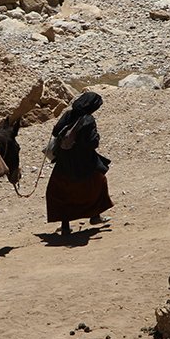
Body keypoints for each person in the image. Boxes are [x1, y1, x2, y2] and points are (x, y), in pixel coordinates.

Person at [46, 91, 113, 235]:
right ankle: (95, 216)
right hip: (83, 161)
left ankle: (65, 226)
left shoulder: (68, 114)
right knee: (99, 182)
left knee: (63, 191)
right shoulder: (88, 120)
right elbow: (92, 143)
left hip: (64, 160)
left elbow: (56, 130)